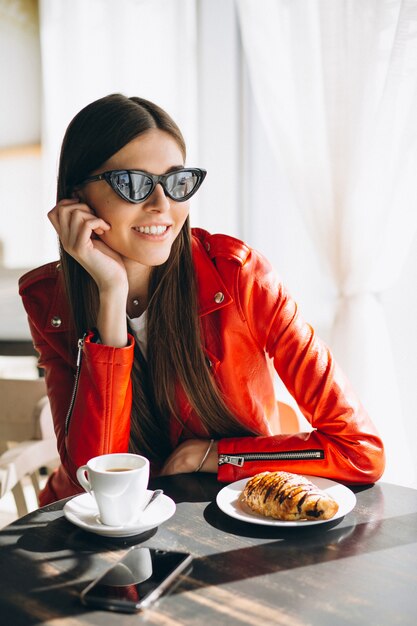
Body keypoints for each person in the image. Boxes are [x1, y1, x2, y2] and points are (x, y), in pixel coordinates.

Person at [19, 94, 384, 505]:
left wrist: (218, 454)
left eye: (176, 182)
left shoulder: (239, 276)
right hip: (96, 538)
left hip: (227, 527)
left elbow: (359, 450)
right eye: (134, 184)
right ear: (77, 196)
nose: (162, 206)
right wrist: (111, 293)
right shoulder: (49, 301)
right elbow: (94, 476)